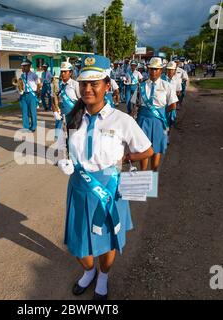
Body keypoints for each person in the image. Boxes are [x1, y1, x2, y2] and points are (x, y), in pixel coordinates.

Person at [57, 54, 154, 300]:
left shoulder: (122, 120)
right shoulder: (71, 119)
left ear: (107, 86)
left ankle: (103, 276)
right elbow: (62, 148)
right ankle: (89, 271)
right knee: (79, 238)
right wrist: (62, 160)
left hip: (110, 186)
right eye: (83, 84)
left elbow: (148, 149)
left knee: (107, 239)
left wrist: (126, 160)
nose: (87, 89)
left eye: (95, 83)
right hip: (79, 186)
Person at [132, 57, 178, 171]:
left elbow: (173, 105)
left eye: (156, 69)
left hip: (159, 120)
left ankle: (154, 173)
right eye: (151, 69)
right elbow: (135, 104)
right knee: (143, 148)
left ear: (161, 70)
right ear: (148, 69)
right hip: (143, 120)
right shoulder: (141, 86)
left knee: (156, 148)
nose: (153, 72)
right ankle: (143, 174)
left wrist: (161, 113)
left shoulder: (167, 86)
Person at [52, 61, 80, 138]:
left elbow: (81, 101)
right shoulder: (57, 85)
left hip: (72, 116)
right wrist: (55, 112)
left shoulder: (75, 84)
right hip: (60, 116)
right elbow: (53, 99)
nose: (63, 73)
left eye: (65, 71)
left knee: (72, 138)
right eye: (62, 72)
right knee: (60, 139)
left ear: (70, 73)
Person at [19, 58, 40, 132]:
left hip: (32, 95)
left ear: (29, 66)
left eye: (25, 66)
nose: (23, 67)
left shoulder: (34, 75)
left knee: (32, 112)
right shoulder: (22, 75)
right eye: (22, 66)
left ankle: (33, 127)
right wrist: (20, 90)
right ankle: (26, 127)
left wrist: (37, 93)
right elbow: (20, 85)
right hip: (24, 95)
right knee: (24, 112)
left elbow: (38, 84)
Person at [162, 61, 182, 128]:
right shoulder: (162, 78)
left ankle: (170, 127)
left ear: (175, 70)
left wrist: (174, 97)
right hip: (163, 101)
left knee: (172, 117)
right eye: (169, 69)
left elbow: (178, 91)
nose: (170, 71)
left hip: (172, 101)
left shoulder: (177, 79)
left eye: (171, 69)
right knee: (163, 115)